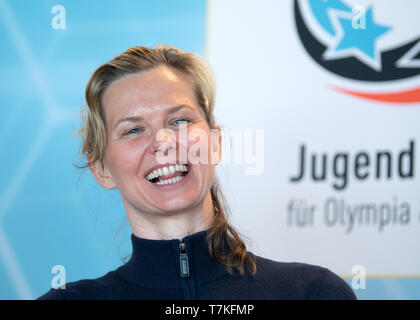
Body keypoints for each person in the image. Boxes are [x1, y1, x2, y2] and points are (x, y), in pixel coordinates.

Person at [38, 44, 356, 300]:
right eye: (134, 130)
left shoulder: (313, 293)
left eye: (179, 121)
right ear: (102, 169)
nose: (163, 141)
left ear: (215, 143)